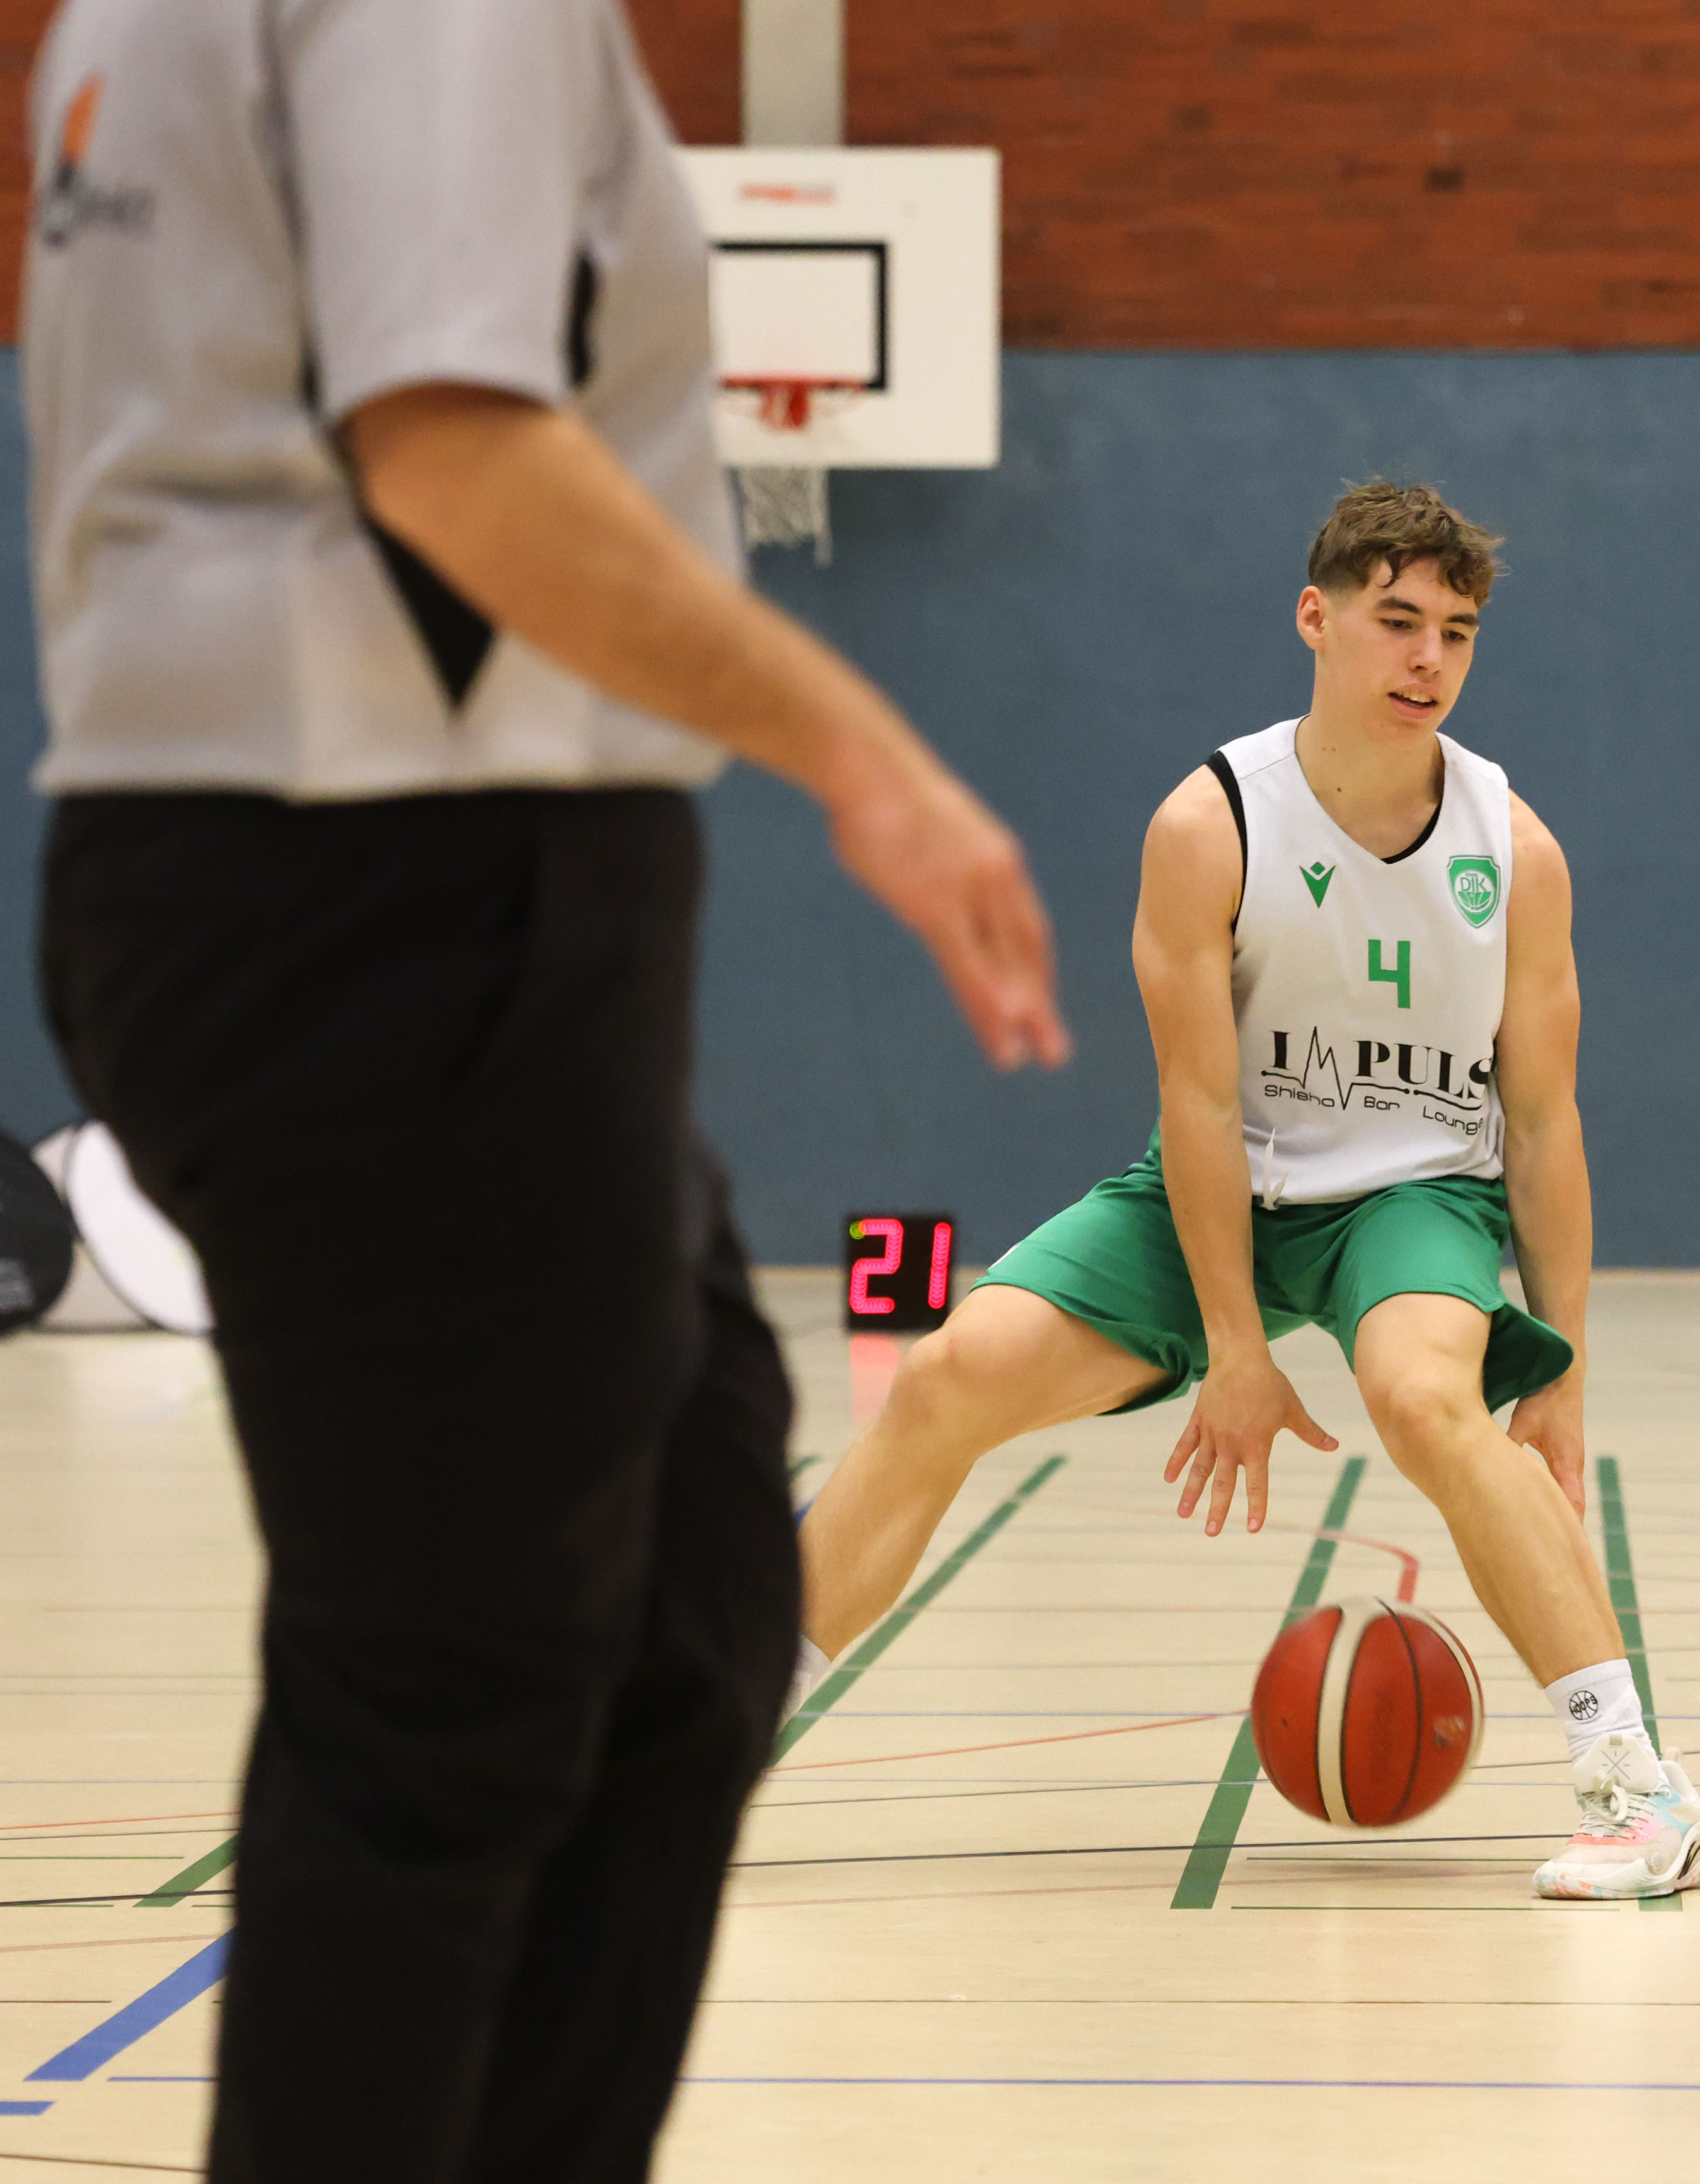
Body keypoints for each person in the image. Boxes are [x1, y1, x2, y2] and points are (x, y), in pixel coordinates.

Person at [21, 3, 1068, 2178]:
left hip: (277, 873)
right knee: (447, 1702)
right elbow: (451, 442)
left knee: (694, 1591)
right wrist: (861, 752)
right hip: (393, 874)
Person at [793, 480, 1700, 1900]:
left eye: (1456, 632)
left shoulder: (1515, 849)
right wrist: (1234, 1347)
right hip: (1227, 1183)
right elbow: (1202, 1104)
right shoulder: (1211, 822)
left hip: (1411, 1193)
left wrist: (1568, 1373)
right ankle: (706, 1741)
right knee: (946, 1374)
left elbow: (1541, 1124)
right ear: (1316, 618)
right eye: (1396, 620)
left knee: (1426, 1400)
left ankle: (1638, 1788)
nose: (1426, 657)